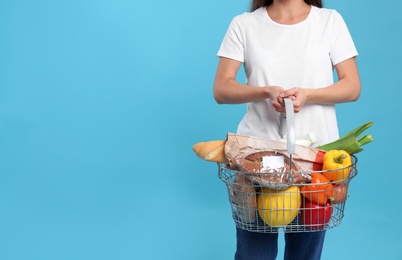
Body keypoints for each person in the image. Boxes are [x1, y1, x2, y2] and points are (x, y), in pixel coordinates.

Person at [213, 0, 360, 259]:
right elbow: (222, 88)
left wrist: (309, 95)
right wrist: (266, 91)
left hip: (313, 158)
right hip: (258, 159)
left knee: (305, 256)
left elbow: (352, 86)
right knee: (253, 255)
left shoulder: (329, 21)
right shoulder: (245, 24)